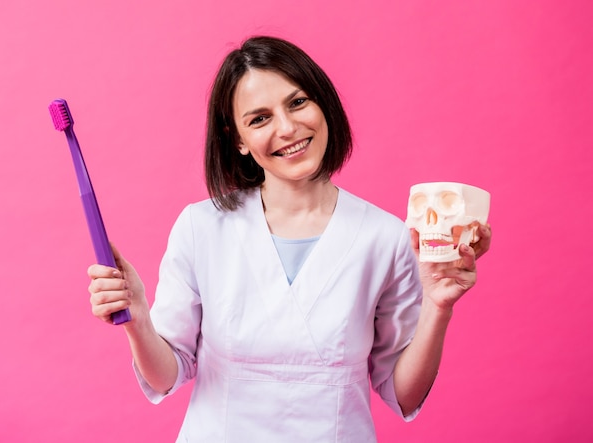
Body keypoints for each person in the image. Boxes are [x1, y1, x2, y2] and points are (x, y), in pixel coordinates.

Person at [88, 36, 491, 442]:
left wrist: (438, 307)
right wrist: (137, 317)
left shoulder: (384, 237)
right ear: (238, 139)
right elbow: (165, 375)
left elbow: (404, 394)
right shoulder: (201, 228)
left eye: (297, 102)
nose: (287, 128)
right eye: (259, 119)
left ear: (323, 104)